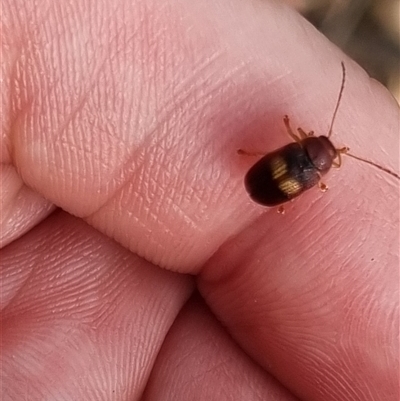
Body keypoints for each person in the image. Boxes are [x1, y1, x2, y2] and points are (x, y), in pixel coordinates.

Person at [1, 0, 398, 399]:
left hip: (266, 181)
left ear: (307, 142)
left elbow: (288, 140)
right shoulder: (314, 174)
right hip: (268, 186)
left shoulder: (304, 157)